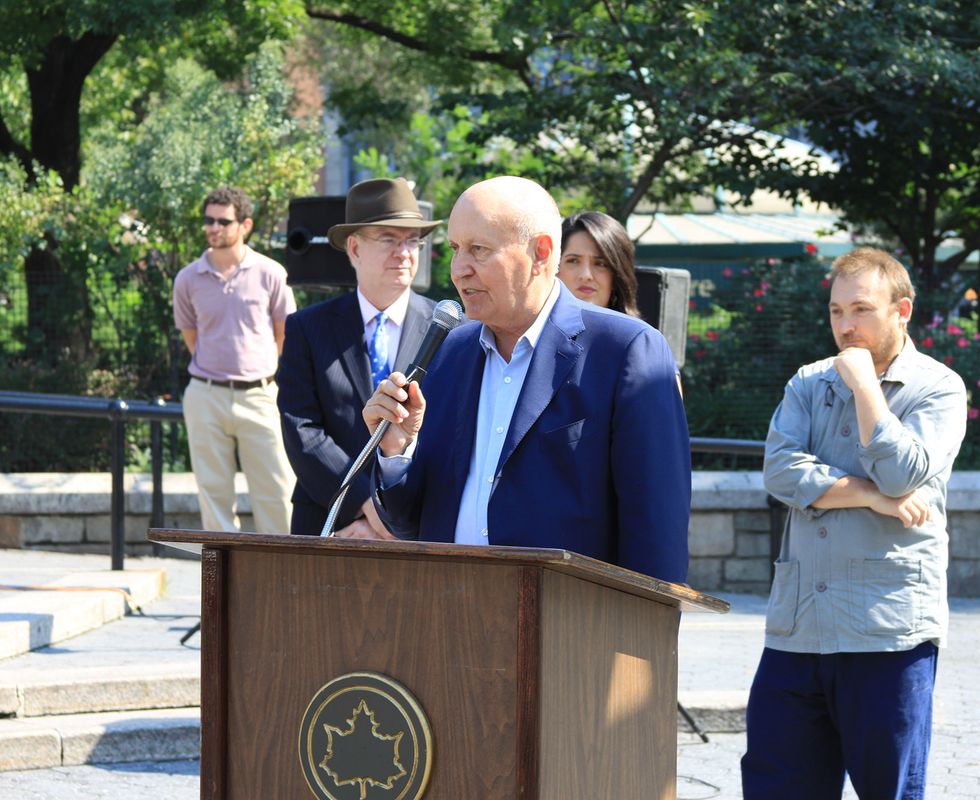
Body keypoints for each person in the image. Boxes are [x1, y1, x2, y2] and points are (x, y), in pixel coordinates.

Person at [355, 176, 690, 584]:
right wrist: (396, 448)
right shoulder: (449, 352)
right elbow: (411, 523)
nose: (459, 269)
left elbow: (657, 527)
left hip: (571, 627)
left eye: (479, 250)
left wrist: (641, 641)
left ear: (540, 253)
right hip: (449, 620)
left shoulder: (626, 349)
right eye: (455, 249)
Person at [740, 247, 967, 799]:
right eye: (837, 311)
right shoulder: (808, 383)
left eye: (861, 310)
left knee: (887, 790)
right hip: (799, 629)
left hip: (886, 630)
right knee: (775, 787)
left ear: (901, 311)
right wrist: (868, 497)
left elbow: (904, 473)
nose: (846, 326)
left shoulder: (938, 389)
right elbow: (779, 470)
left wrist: (867, 388)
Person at [276, 178, 439, 536]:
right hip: (327, 517)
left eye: (412, 240)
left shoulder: (447, 330)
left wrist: (394, 516)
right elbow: (301, 429)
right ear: (354, 248)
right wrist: (365, 507)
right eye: (388, 240)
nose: (404, 252)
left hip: (420, 523)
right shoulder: (308, 327)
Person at [173, 186, 296, 534]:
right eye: (208, 220)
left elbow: (283, 333)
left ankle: (283, 576)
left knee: (277, 491)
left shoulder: (271, 273)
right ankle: (224, 582)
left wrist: (257, 368)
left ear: (245, 225)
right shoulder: (187, 279)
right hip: (205, 394)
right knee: (213, 495)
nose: (213, 228)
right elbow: (192, 337)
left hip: (260, 395)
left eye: (223, 221)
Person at [560, 211, 640, 316]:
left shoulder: (640, 332)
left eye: (600, 264)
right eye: (573, 261)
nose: (586, 275)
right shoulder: (535, 330)